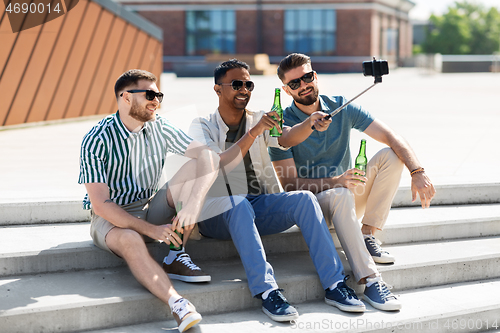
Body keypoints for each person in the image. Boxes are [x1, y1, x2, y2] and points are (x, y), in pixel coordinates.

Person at [188, 59, 368, 323]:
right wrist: (255, 132)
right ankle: (268, 291)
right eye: (236, 84)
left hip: (255, 205)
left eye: (248, 84)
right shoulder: (201, 125)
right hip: (215, 212)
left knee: (304, 199)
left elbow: (285, 137)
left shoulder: (258, 118)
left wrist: (310, 124)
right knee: (238, 203)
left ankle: (335, 285)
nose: (244, 90)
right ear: (218, 89)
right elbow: (218, 164)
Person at [270, 53, 436, 310]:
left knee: (391, 155)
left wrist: (418, 171)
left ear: (315, 76)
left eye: (307, 77)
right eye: (295, 83)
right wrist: (336, 181)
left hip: (347, 196)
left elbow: (391, 135)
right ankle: (370, 281)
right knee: (340, 193)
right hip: (314, 208)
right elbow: (290, 186)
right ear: (286, 89)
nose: (303, 85)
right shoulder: (281, 124)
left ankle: (367, 233)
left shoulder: (339, 105)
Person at [78, 69, 220, 332]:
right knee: (131, 238)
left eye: (159, 95)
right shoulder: (97, 139)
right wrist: (153, 230)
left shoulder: (159, 126)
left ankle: (176, 255)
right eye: (150, 94)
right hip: (111, 218)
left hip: (148, 206)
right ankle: (178, 304)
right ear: (126, 98)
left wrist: (193, 203)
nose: (157, 101)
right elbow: (101, 205)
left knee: (194, 167)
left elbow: (209, 157)